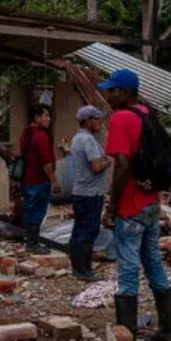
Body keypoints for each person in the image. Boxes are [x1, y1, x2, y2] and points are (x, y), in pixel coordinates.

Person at [100, 69, 171, 341]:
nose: (108, 95)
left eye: (112, 90)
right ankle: (166, 331)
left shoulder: (121, 118)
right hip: (151, 201)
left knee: (128, 267)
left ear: (126, 92)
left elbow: (121, 165)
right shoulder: (147, 115)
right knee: (153, 261)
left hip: (130, 204)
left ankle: (126, 337)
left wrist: (112, 206)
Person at [69, 105, 111, 281]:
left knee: (79, 230)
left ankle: (78, 268)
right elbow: (96, 166)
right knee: (88, 231)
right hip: (90, 193)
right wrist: (107, 160)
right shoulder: (88, 141)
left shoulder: (77, 138)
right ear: (88, 121)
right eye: (98, 119)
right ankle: (85, 270)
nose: (101, 123)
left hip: (81, 192)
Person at [20, 104, 60, 255]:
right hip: (38, 180)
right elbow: (46, 162)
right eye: (45, 116)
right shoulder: (41, 136)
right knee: (37, 212)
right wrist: (53, 180)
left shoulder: (26, 134)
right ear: (37, 118)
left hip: (27, 179)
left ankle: (30, 241)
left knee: (30, 210)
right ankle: (33, 243)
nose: (48, 119)